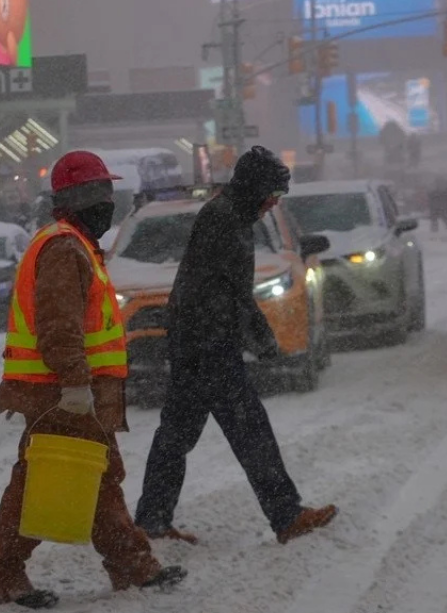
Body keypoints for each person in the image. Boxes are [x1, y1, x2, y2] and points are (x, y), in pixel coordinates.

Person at [0, 150, 185, 609]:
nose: (107, 204)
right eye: (99, 194)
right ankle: (5, 576)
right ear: (76, 199)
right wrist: (75, 383)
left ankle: (129, 564)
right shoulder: (63, 248)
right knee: (45, 482)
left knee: (95, 477)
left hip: (70, 391)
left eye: (108, 193)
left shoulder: (75, 244)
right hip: (62, 393)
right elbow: (58, 325)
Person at [133, 146, 338, 545]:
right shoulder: (225, 220)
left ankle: (153, 519)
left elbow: (221, 289)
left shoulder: (229, 215)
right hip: (209, 344)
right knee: (250, 430)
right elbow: (229, 291)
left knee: (176, 434)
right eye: (272, 193)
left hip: (196, 341)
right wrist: (263, 341)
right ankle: (286, 515)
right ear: (254, 187)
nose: (274, 202)